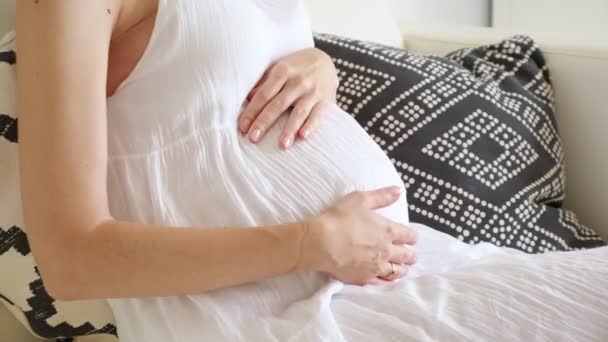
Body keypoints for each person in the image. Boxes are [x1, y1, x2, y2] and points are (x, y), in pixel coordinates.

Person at [15, 1, 608, 341]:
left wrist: (318, 61)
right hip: (268, 320)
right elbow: (73, 258)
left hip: (399, 269)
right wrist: (306, 244)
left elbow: (206, 88)